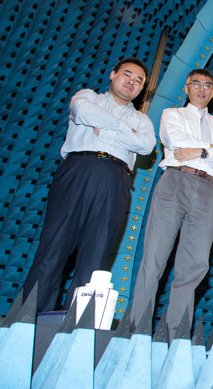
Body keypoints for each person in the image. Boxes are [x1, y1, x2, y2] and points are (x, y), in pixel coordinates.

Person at [22, 57, 156, 312]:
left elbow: (145, 145)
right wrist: (123, 130)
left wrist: (104, 130)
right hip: (78, 169)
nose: (132, 82)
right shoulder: (89, 97)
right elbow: (83, 113)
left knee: (96, 254)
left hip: (116, 179)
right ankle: (30, 316)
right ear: (113, 74)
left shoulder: (142, 121)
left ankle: (77, 322)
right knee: (54, 245)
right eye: (127, 74)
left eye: (139, 81)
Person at [130, 68, 213, 335]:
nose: (203, 89)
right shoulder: (172, 115)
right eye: (197, 84)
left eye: (208, 86)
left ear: (212, 92)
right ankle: (136, 328)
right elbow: (174, 140)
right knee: (155, 255)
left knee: (196, 263)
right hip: (175, 181)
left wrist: (200, 150)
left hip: (208, 190)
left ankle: (176, 332)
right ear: (187, 88)